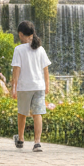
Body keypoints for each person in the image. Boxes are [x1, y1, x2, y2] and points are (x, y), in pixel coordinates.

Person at [9, 20, 51, 152]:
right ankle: (37, 143)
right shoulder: (40, 48)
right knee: (37, 114)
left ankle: (20, 139)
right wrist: (47, 86)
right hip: (39, 86)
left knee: (22, 113)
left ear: (21, 34)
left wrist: (13, 88)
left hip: (24, 86)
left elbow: (16, 70)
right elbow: (45, 70)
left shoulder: (19, 49)